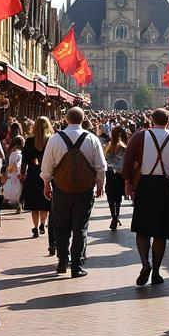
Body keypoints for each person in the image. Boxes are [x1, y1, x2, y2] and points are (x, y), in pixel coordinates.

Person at [122, 108, 169, 286]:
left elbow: (128, 160)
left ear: (151, 120)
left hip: (145, 185)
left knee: (142, 229)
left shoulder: (139, 137)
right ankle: (156, 273)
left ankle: (145, 263)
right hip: (165, 187)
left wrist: (128, 181)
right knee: (160, 233)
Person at [41, 106, 106, 277]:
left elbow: (46, 165)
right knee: (80, 227)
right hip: (85, 189)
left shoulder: (55, 139)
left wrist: (46, 184)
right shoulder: (92, 138)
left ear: (66, 119)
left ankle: (62, 261)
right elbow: (100, 166)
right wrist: (100, 185)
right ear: (83, 119)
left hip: (61, 188)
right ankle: (76, 266)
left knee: (61, 226)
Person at [21, 117, 53, 243]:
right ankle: (42, 224)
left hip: (33, 173)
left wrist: (22, 174)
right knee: (44, 202)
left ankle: (35, 226)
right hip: (46, 173)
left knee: (34, 203)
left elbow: (24, 160)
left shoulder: (29, 141)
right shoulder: (50, 140)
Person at [104, 126, 128, 230]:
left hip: (110, 174)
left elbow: (105, 160)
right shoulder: (124, 148)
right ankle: (116, 216)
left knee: (110, 197)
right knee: (118, 198)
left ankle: (114, 216)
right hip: (119, 174)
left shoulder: (108, 147)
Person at [3, 135, 24, 209]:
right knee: (19, 188)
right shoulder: (21, 152)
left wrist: (7, 171)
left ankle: (18, 205)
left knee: (15, 189)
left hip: (13, 173)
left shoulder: (13, 152)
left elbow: (11, 164)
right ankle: (19, 204)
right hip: (19, 172)